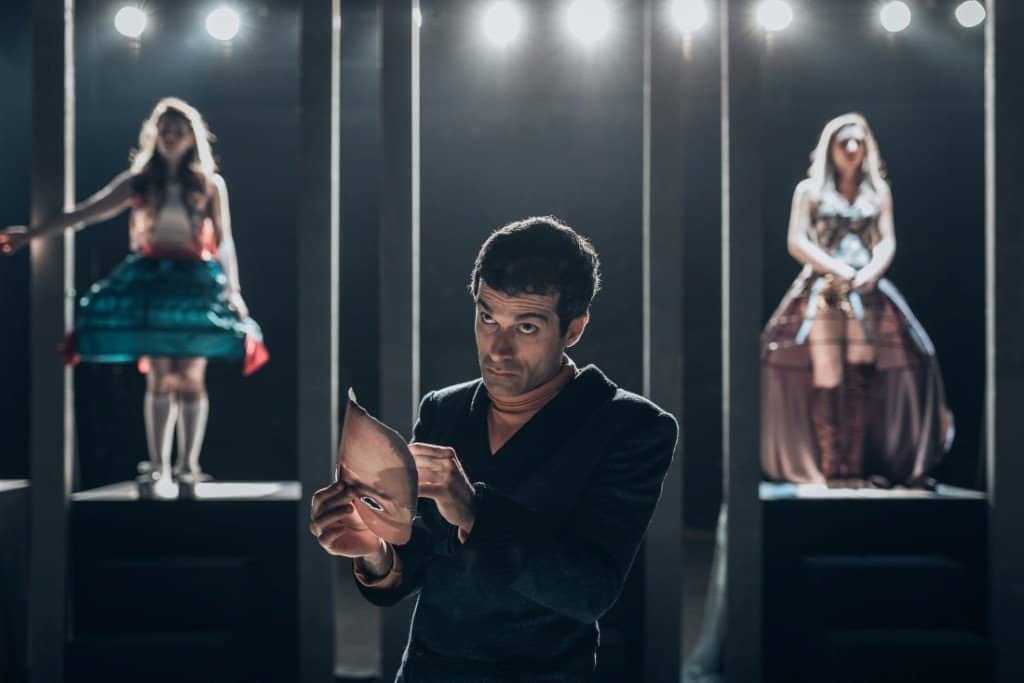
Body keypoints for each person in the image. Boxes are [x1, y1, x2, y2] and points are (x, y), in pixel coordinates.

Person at [310, 216, 678, 681]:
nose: (498, 349)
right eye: (488, 318)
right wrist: (374, 549)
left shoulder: (632, 427)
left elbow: (590, 591)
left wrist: (474, 511)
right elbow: (422, 558)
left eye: (526, 327)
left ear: (574, 329)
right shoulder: (444, 409)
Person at [0, 97, 267, 494]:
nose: (171, 137)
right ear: (154, 136)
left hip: (194, 282)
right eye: (166, 131)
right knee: (159, 373)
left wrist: (234, 291)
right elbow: (87, 212)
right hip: (151, 279)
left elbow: (225, 241)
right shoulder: (138, 182)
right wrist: (32, 234)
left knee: (191, 374)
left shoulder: (209, 184)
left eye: (179, 131)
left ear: (192, 138)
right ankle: (159, 465)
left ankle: (188, 465)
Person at [761, 113, 953, 487]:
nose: (851, 149)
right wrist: (836, 268)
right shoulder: (810, 191)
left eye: (858, 142)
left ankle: (857, 467)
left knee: (863, 371)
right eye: (843, 142)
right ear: (830, 148)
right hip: (826, 288)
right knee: (828, 370)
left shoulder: (877, 192)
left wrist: (870, 272)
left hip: (867, 289)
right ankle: (834, 469)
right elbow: (797, 241)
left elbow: (886, 240)